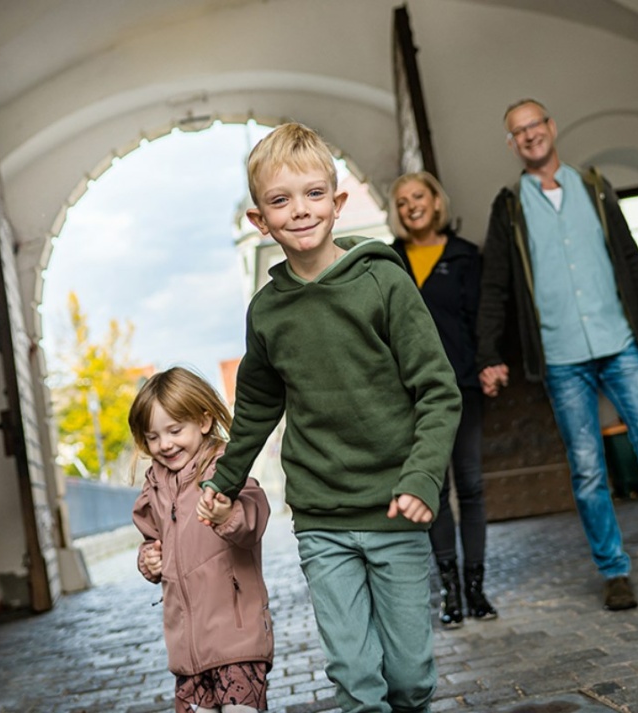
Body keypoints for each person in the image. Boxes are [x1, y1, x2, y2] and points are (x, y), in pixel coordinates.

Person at [198, 123, 461, 713]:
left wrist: (422, 478)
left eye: (314, 194)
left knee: (411, 678)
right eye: (280, 200)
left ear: (338, 204)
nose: (300, 211)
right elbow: (258, 407)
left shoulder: (383, 281)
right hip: (321, 519)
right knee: (354, 678)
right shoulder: (267, 312)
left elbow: (438, 391)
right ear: (258, 221)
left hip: (396, 506)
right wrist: (223, 480)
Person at [477, 98, 638, 611]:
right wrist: (488, 353)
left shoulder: (594, 187)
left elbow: (631, 255)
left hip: (620, 343)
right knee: (588, 467)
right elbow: (495, 286)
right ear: (512, 143)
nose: (529, 136)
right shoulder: (509, 208)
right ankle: (614, 573)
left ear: (552, 126)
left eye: (535, 125)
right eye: (518, 132)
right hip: (563, 357)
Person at [388, 171, 497, 628]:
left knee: (470, 485)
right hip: (412, 394)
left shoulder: (465, 256)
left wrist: (489, 363)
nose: (411, 205)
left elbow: (482, 318)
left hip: (463, 387)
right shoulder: (388, 261)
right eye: (402, 200)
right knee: (433, 488)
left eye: (419, 196)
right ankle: (449, 591)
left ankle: (476, 588)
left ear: (436, 202)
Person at [129, 366, 272, 713]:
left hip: (236, 639)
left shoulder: (224, 468)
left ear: (204, 421)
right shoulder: (155, 486)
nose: (164, 444)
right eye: (152, 437)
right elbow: (151, 538)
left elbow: (254, 516)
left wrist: (228, 516)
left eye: (175, 430)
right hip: (186, 650)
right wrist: (148, 559)